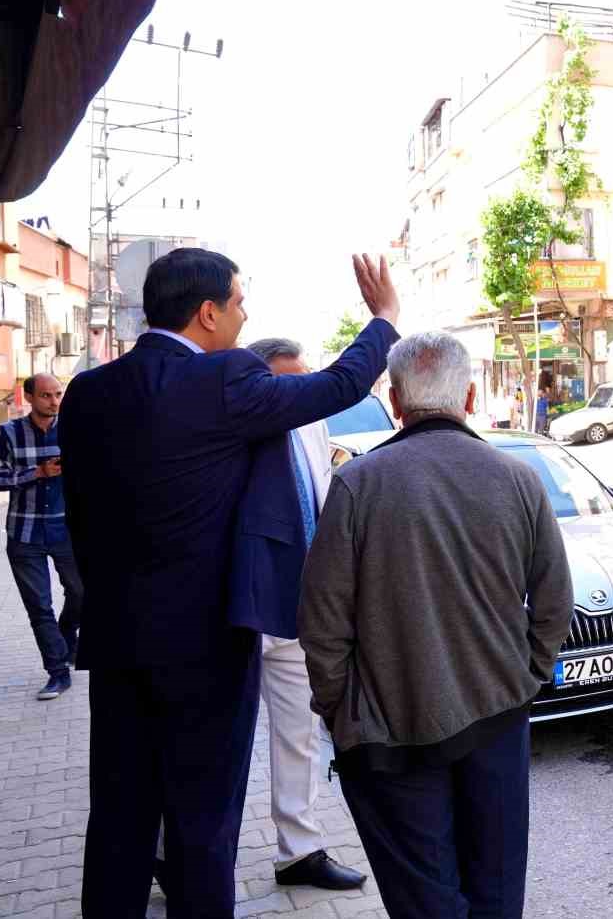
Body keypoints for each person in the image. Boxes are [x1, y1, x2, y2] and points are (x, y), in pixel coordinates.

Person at [59, 249, 400, 918]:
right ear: (207, 312)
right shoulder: (223, 380)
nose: (246, 316)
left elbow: (81, 516)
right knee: (202, 823)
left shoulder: (89, 392)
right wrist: (383, 319)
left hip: (119, 641)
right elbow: (338, 385)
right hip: (205, 649)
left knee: (121, 817)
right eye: (240, 302)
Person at [299, 330, 574, 919]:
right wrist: (526, 677)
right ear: (471, 397)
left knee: (426, 902)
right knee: (496, 893)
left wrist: (345, 716)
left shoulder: (357, 484)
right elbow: (554, 603)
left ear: (395, 401)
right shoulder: (519, 479)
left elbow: (321, 625)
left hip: (387, 735)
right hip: (496, 720)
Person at [234, 338, 368, 892]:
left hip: (298, 609)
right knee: (215, 742)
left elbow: (320, 500)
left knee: (299, 737)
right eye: (286, 383)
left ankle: (300, 852)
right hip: (236, 613)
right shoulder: (231, 427)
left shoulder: (312, 425)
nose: (298, 392)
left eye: (303, 380)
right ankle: (179, 851)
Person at [0, 373, 83, 700]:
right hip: (24, 533)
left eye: (58, 394)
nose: (54, 401)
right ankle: (57, 672)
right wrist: (37, 472)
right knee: (38, 606)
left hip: (68, 531)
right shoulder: (7, 433)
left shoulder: (74, 429)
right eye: (46, 395)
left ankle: (66, 633)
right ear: (28, 397)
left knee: (83, 595)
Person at [535, 368, 554, 434]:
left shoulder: (544, 398)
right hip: (537, 414)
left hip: (542, 414)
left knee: (540, 430)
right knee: (536, 430)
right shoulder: (536, 399)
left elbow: (547, 405)